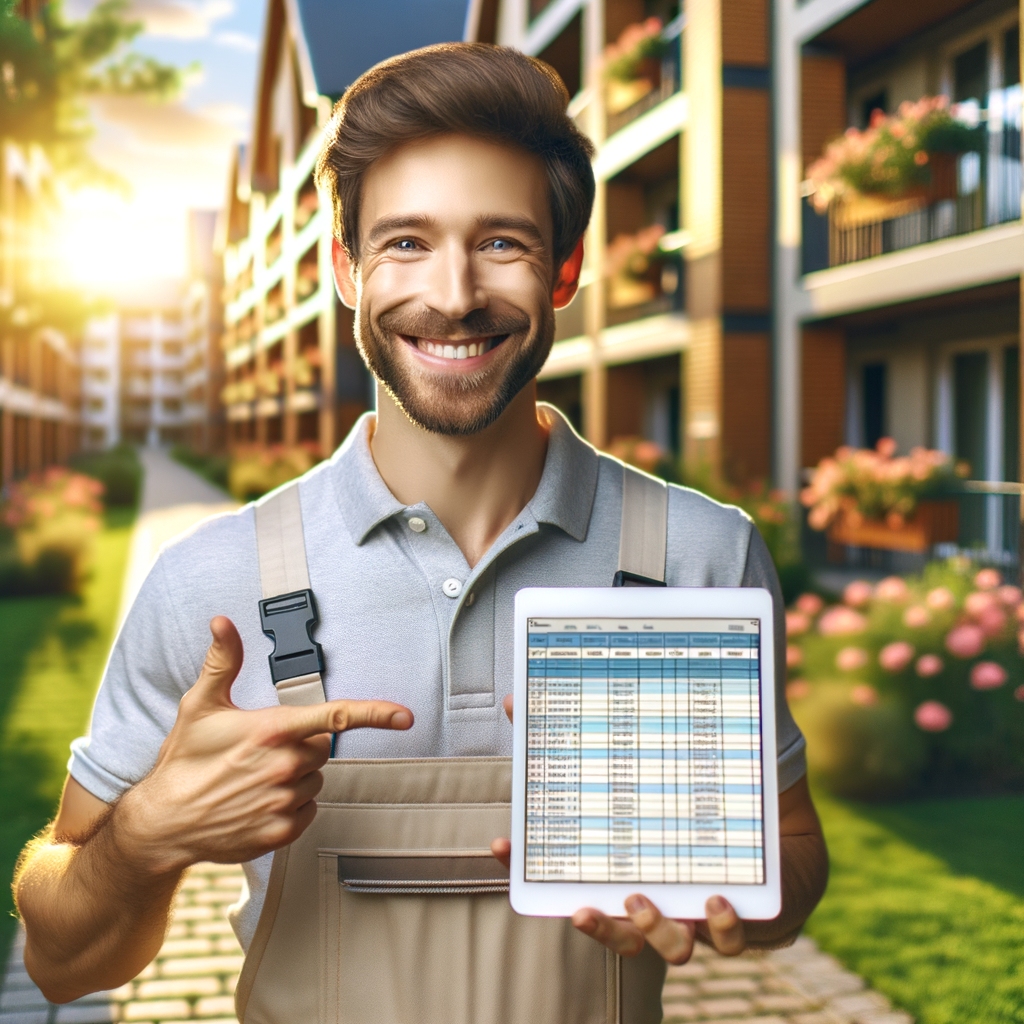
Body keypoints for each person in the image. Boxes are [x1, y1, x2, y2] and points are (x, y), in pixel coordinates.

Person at [14, 42, 827, 1022]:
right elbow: (60, 965)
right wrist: (144, 835)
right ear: (345, 268)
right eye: (404, 242)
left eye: (502, 243)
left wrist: (731, 895)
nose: (451, 294)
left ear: (565, 268)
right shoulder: (212, 579)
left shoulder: (700, 553)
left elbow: (790, 861)